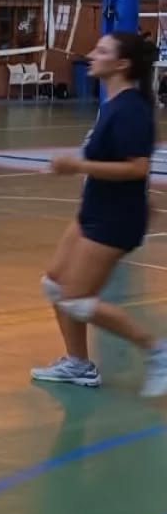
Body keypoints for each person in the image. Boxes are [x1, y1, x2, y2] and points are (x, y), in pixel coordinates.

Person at [32, 30, 167, 396]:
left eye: (102, 50)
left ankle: (156, 351)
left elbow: (138, 168)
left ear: (121, 64)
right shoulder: (112, 101)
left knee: (77, 299)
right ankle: (78, 364)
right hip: (93, 209)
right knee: (55, 286)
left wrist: (75, 167)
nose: (91, 54)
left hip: (115, 218)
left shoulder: (131, 110)